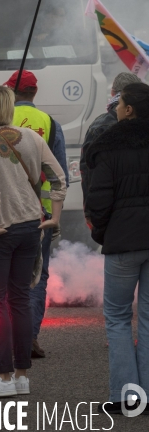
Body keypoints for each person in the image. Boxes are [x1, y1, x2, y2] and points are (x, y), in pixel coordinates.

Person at [0, 86, 66, 398]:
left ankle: (2, 377)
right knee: (19, 299)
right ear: (8, 108)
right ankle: (21, 376)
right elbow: (58, 177)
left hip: (2, 231)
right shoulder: (33, 138)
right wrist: (55, 217)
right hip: (31, 227)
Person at [85, 83, 149, 415]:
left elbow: (98, 200)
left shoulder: (107, 148)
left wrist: (104, 233)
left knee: (119, 318)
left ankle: (126, 396)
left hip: (123, 242)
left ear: (127, 110)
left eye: (121, 102)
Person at [4, 69, 69, 358]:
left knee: (5, 276)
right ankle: (29, 338)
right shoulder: (50, 124)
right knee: (37, 276)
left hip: (4, 211)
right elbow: (60, 174)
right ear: (34, 93)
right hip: (40, 214)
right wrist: (55, 216)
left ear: (10, 92)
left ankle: (7, 337)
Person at [80, 72, 141, 223]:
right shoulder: (144, 124)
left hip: (112, 212)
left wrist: (90, 213)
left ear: (113, 93)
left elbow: (88, 171)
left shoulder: (98, 127)